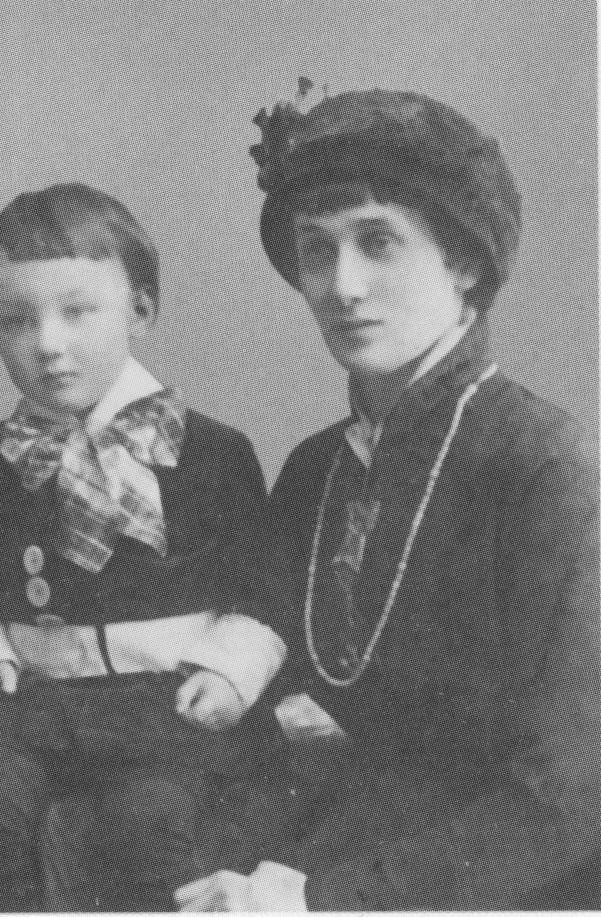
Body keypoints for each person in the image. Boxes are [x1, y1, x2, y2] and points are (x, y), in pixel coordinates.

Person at [175, 85, 601, 911]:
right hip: (327, 840)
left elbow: (569, 793)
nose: (342, 286)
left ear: (463, 261)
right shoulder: (313, 472)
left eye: (377, 242)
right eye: (317, 249)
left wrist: (320, 900)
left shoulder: (544, 470)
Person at [0, 183, 290, 910]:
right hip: (36, 705)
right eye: (16, 321)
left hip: (169, 706)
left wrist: (231, 670)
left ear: (140, 310)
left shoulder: (209, 456)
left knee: (151, 818)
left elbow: (264, 586)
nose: (48, 344)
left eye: (78, 312)